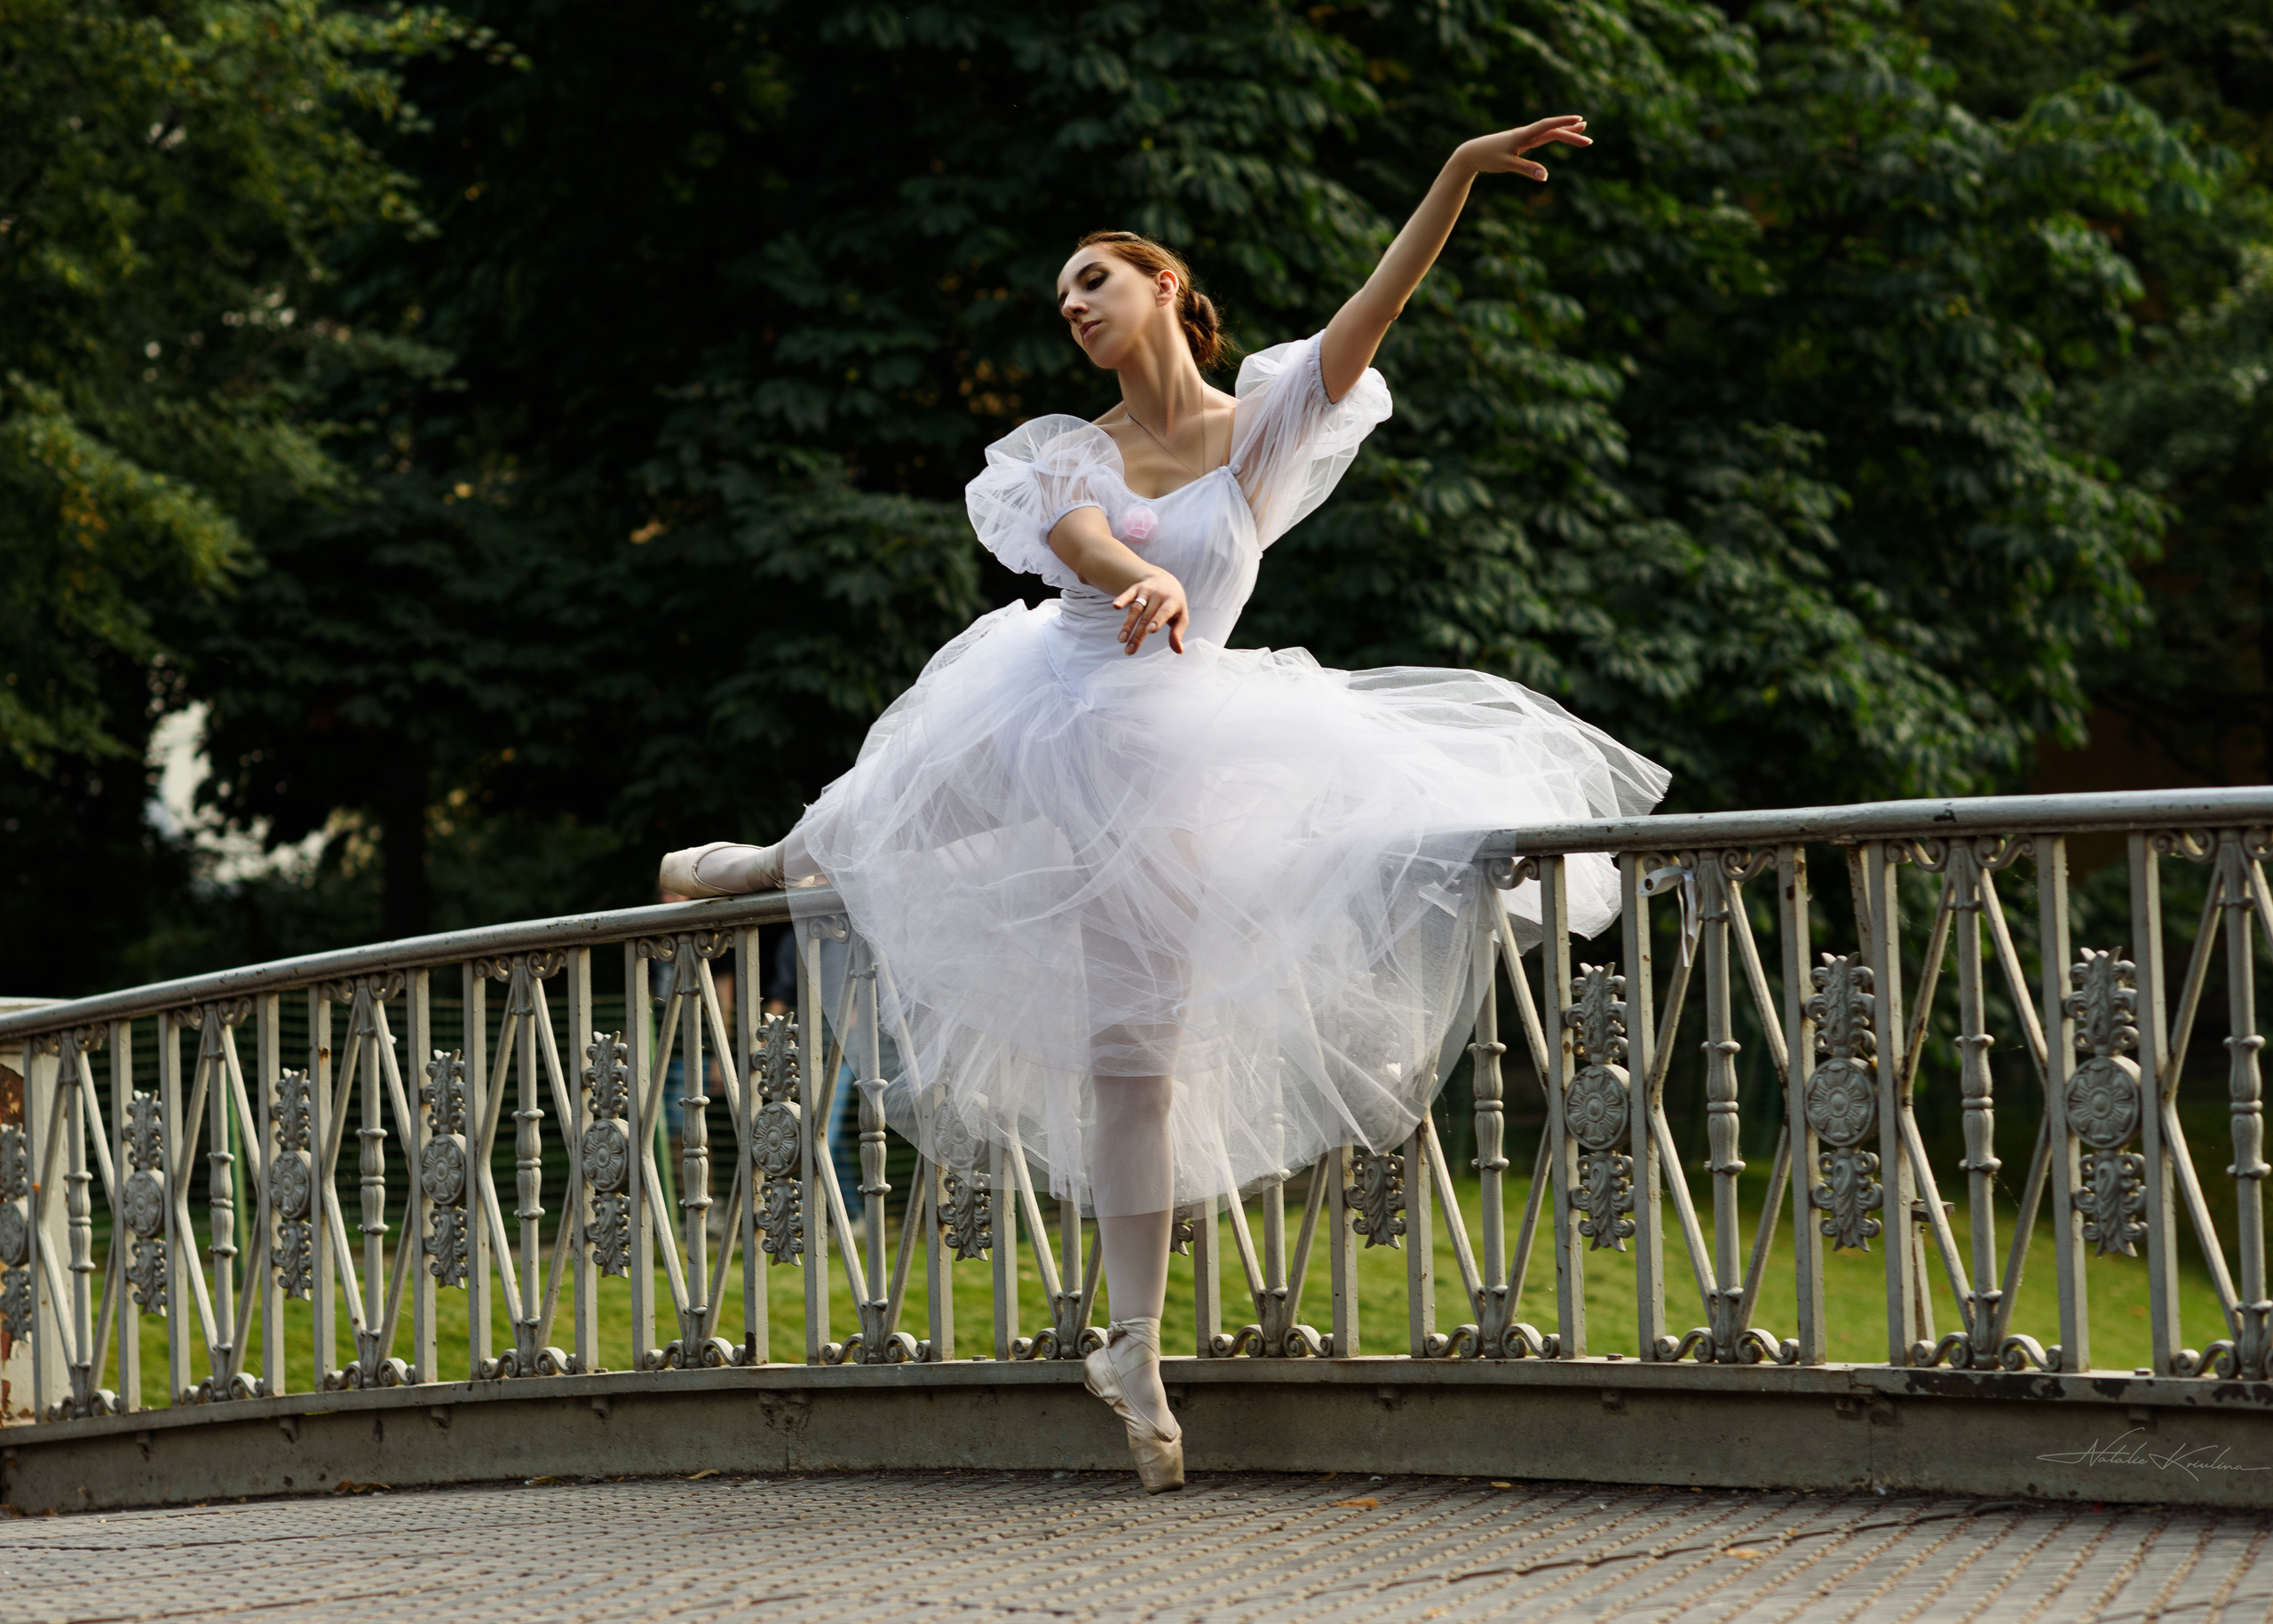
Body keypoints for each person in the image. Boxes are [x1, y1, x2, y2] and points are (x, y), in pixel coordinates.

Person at [659, 114, 1667, 1493]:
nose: (1074, 306)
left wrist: (1453, 174)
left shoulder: (1259, 427)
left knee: (1144, 1051)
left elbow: (1375, 309)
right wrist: (1134, 573)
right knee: (879, 811)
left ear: (1166, 285)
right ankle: (771, 856)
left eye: (1095, 279)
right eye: (1061, 295)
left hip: (1181, 746)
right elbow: (1076, 539)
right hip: (1043, 707)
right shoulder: (1071, 450)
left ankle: (1130, 1347)